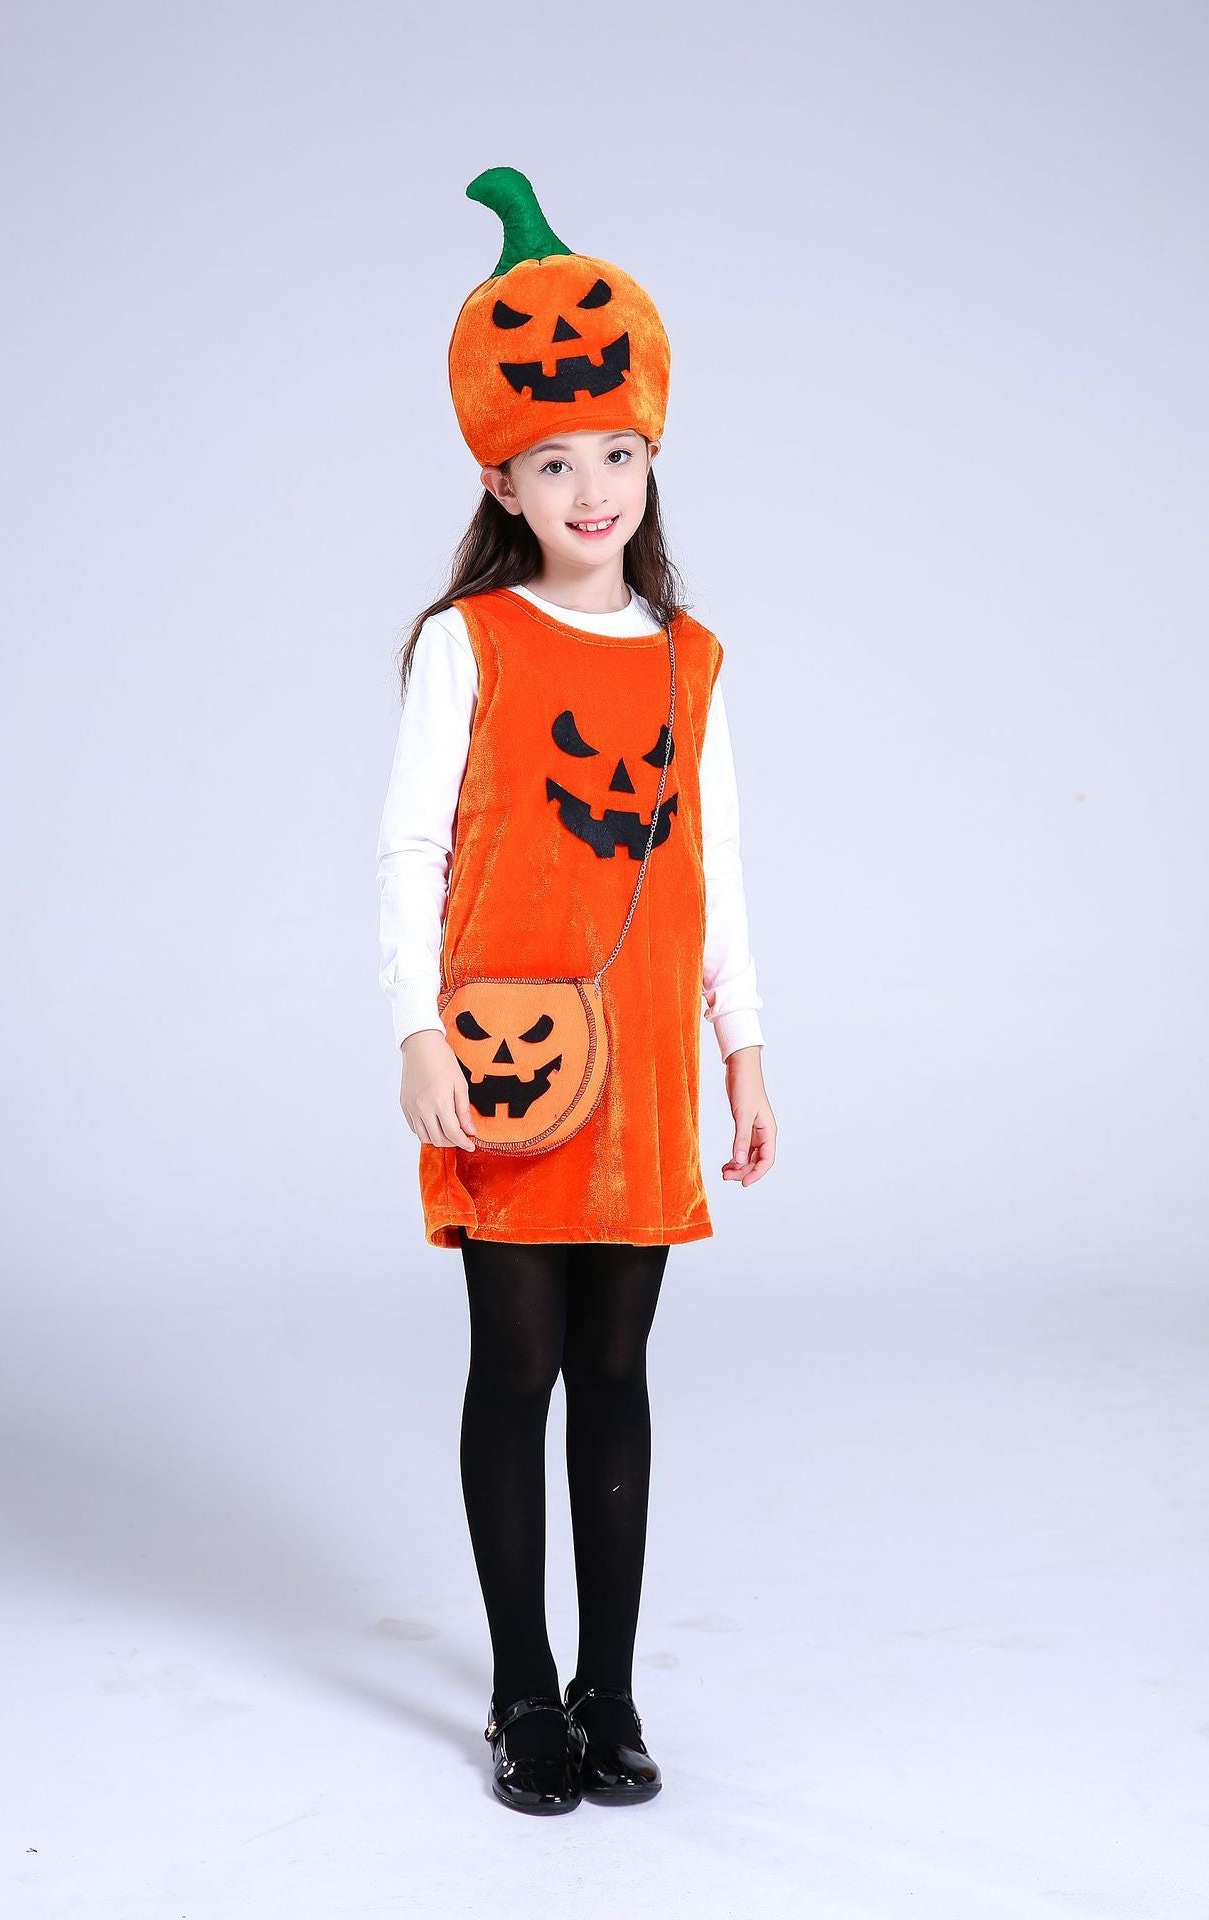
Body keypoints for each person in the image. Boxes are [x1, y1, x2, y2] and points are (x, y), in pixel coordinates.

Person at [375, 167, 777, 1815]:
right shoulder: (469, 642)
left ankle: (611, 1688)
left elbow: (716, 864)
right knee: (517, 1361)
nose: (589, 488)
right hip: (509, 1052)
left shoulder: (688, 658)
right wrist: (416, 1028)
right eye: (553, 461)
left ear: (650, 454)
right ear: (502, 476)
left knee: (618, 1371)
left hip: (654, 1061)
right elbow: (412, 846)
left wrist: (746, 1047)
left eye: (614, 453)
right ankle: (521, 1689)